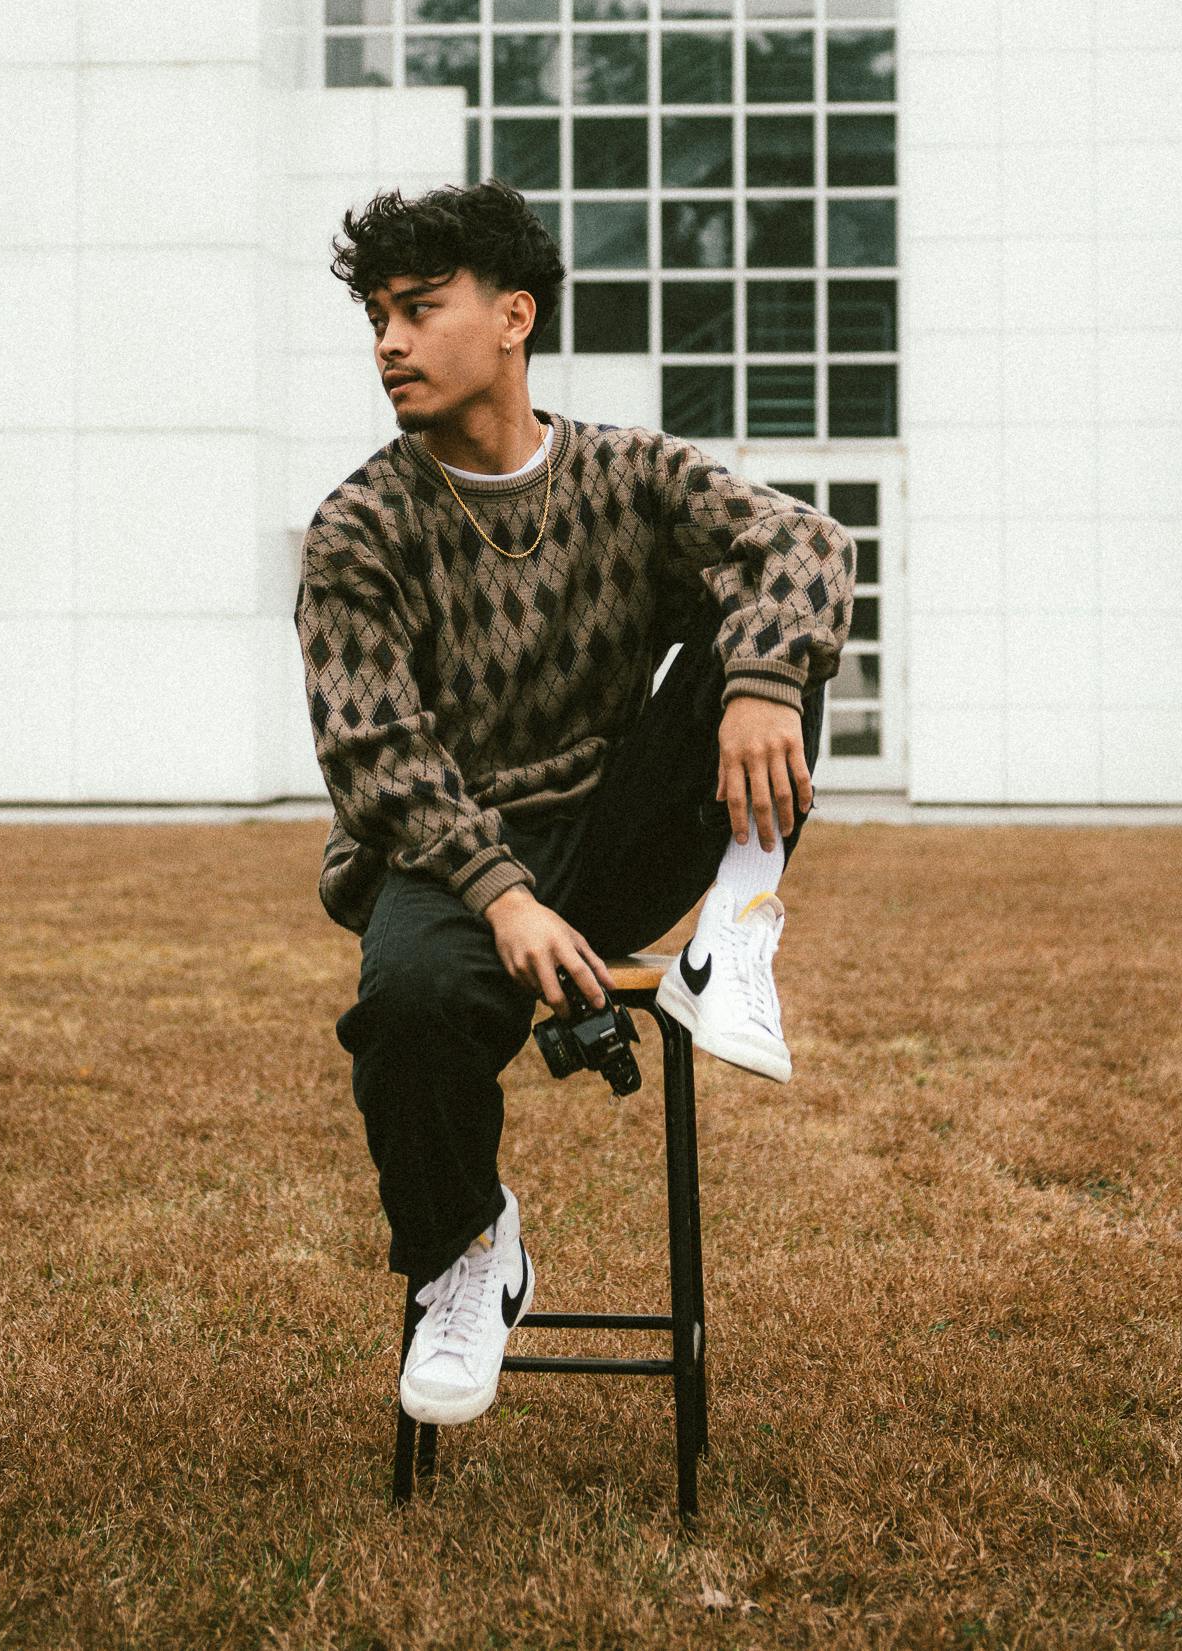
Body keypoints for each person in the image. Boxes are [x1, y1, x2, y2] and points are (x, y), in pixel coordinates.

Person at [296, 179, 856, 1431]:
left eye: (417, 309)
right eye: (375, 317)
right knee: (407, 1011)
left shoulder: (621, 473)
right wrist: (501, 900)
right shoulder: (359, 529)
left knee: (768, 636)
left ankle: (737, 938)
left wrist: (759, 683)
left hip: (613, 832)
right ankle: (468, 1253)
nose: (386, 341)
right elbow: (374, 752)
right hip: (447, 857)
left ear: (512, 318)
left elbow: (807, 543)